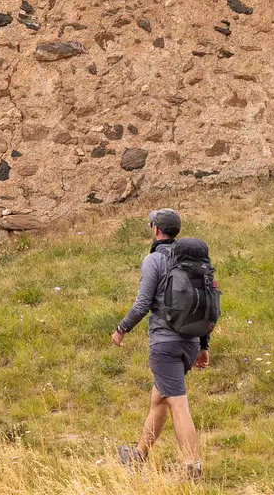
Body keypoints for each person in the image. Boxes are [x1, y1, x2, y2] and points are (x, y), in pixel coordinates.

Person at [111, 207, 212, 483]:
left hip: (165, 344)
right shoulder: (191, 261)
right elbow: (205, 305)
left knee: (178, 403)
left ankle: (193, 468)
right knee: (159, 399)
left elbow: (143, 303)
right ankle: (138, 456)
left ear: (156, 230)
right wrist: (203, 345)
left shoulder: (153, 260)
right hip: (190, 341)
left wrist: (121, 329)